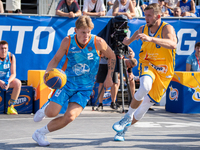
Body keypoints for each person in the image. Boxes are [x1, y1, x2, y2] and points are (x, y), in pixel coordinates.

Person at [32, 15, 116, 146]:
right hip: (66, 83)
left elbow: (112, 56)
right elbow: (55, 60)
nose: (86, 35)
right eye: (83, 32)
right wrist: (47, 73)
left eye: (88, 32)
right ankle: (45, 109)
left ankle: (39, 133)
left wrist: (109, 75)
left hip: (85, 88)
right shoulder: (67, 41)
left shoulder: (98, 42)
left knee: (70, 117)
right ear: (75, 30)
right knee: (52, 113)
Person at [112, 3, 177, 141]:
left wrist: (151, 39)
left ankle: (123, 130)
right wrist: (126, 43)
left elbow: (173, 44)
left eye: (149, 15)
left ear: (158, 16)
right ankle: (127, 116)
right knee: (145, 86)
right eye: (145, 15)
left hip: (165, 71)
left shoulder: (167, 28)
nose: (146, 18)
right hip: (148, 63)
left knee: (146, 104)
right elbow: (129, 40)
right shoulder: (142, 28)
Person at [0, 40, 22, 115]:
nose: (4, 50)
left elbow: (13, 74)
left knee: (18, 83)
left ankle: (11, 107)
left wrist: (8, 82)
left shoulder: (11, 56)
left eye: (5, 48)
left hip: (5, 80)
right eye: (1, 48)